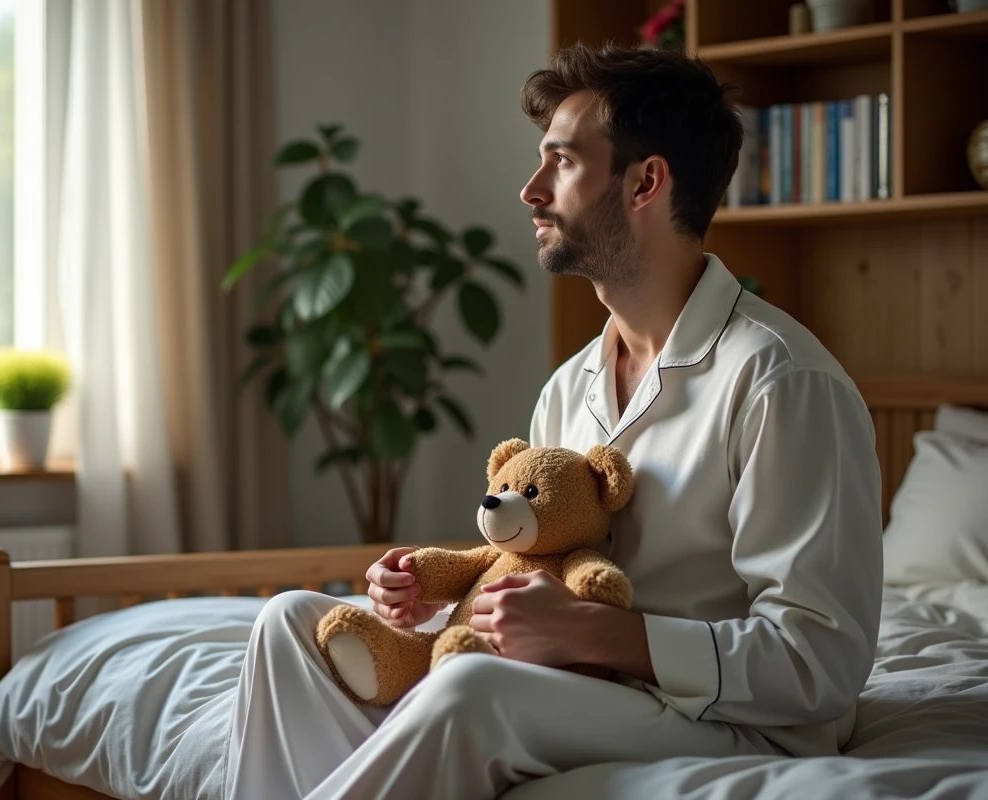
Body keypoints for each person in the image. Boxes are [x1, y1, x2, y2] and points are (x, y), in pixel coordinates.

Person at [224, 43, 883, 800]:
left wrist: (599, 635)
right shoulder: (570, 386)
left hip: (727, 720)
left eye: (562, 163)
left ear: (646, 181)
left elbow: (820, 665)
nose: (530, 190)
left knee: (470, 693)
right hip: (582, 685)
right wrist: (442, 591)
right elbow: (541, 550)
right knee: (287, 627)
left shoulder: (781, 381)